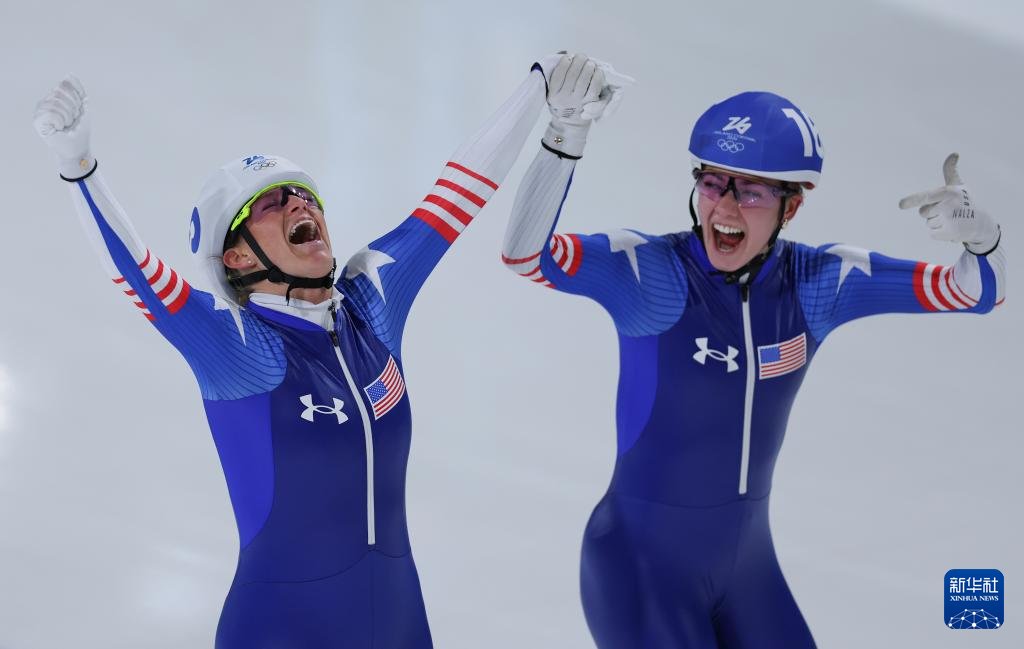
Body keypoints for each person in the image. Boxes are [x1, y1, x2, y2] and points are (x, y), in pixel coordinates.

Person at [33, 55, 555, 649]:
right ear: (237, 257)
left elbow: (456, 194)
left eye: (304, 195)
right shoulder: (242, 351)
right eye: (272, 203)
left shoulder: (373, 308)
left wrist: (539, 86)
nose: (300, 205)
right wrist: (78, 167)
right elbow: (140, 277)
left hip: (399, 620)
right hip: (279, 627)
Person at [503, 54, 1005, 648]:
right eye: (712, 182)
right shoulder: (650, 274)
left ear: (792, 206)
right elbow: (525, 255)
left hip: (748, 570)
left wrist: (983, 239)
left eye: (752, 192)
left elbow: (974, 293)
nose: (725, 206)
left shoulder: (819, 284)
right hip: (640, 569)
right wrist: (564, 136)